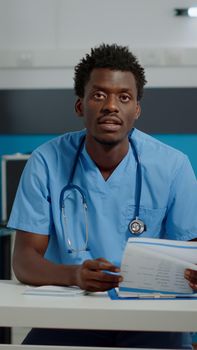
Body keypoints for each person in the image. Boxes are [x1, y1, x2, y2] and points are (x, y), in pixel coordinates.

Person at [8, 43, 197, 349]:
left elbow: (192, 252)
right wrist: (75, 275)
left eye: (124, 97)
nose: (111, 106)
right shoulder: (45, 162)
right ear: (80, 106)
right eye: (99, 95)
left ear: (136, 109)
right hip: (71, 315)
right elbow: (25, 261)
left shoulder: (172, 166)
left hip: (152, 319)